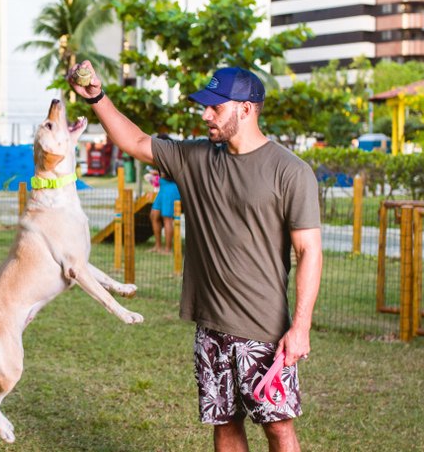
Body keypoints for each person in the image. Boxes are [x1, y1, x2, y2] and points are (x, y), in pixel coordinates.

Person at [68, 62, 322, 452]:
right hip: (211, 327)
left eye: (215, 107)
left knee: (278, 428)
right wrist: (97, 98)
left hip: (264, 331)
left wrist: (300, 327)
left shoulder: (290, 172)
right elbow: (136, 142)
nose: (206, 115)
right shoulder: (196, 158)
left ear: (246, 109)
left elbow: (309, 252)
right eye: (205, 106)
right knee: (224, 425)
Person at [148, 134, 181, 254]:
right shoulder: (162, 155)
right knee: (154, 215)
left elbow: (176, 173)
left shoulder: (174, 155)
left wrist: (162, 173)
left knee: (167, 218)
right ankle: (157, 246)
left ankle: (168, 249)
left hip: (171, 188)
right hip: (163, 187)